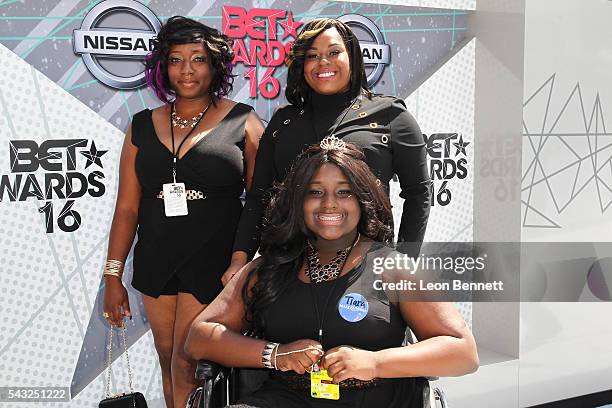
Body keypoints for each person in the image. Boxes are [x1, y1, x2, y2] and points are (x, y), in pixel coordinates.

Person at [185, 140, 478, 408]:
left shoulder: (393, 267)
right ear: (297, 201)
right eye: (315, 192)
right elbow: (199, 337)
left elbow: (463, 352)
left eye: (343, 192)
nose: (329, 204)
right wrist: (275, 354)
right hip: (285, 399)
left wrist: (375, 362)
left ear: (362, 200)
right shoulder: (271, 266)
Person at [101, 16, 264, 408]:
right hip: (157, 258)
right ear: (163, 66)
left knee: (186, 360)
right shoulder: (141, 125)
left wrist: (242, 259)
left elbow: (261, 202)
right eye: (176, 60)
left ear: (215, 66)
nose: (187, 70)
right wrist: (113, 275)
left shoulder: (244, 120)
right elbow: (127, 207)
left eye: (198, 59)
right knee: (165, 353)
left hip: (215, 260)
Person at [222, 18, 432, 285]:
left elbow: (419, 192)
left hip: (366, 272)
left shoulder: (391, 116)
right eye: (312, 55)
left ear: (353, 57)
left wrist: (404, 261)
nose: (323, 62)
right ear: (301, 64)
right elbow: (258, 198)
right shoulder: (283, 121)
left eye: (333, 52)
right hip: (289, 271)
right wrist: (240, 259)